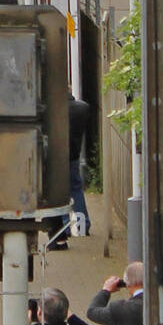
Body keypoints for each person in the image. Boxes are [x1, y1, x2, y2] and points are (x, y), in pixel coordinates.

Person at [67, 96, 92, 236]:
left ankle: (63, 229)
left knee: (58, 194)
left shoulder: (54, 110)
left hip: (55, 157)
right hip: (74, 155)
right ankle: (83, 227)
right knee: (76, 190)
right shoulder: (82, 108)